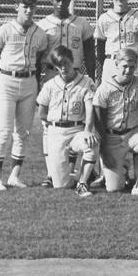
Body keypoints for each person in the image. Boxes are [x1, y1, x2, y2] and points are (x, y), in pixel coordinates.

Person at [0, 0, 48, 190]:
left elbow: (39, 59)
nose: (29, 11)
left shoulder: (39, 33)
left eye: (32, 7)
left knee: (23, 132)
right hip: (7, 80)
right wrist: (1, 76)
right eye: (25, 7)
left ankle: (14, 176)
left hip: (29, 82)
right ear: (17, 7)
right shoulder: (4, 30)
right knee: (3, 131)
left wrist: (35, 83)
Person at [37, 0, 96, 189]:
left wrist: (92, 75)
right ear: (51, 0)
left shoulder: (81, 23)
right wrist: (38, 80)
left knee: (78, 120)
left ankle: (83, 166)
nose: (61, 3)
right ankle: (51, 173)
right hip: (53, 75)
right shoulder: (43, 24)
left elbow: (89, 51)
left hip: (77, 75)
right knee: (49, 126)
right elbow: (38, 56)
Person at [93, 48, 138, 198]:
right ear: (116, 65)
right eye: (125, 66)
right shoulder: (105, 88)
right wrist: (103, 150)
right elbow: (98, 122)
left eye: (132, 66)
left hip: (133, 135)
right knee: (114, 188)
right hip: (112, 139)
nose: (128, 70)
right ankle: (122, 168)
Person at [36, 46, 99, 197]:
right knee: (61, 185)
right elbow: (42, 112)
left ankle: (82, 183)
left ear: (72, 61)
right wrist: (52, 125)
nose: (63, 68)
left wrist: (88, 130)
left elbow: (90, 109)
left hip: (77, 129)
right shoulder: (50, 84)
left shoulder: (86, 81)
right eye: (59, 65)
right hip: (56, 132)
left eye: (66, 63)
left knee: (92, 142)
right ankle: (82, 175)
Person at [94, 0, 138, 84]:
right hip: (111, 63)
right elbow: (100, 50)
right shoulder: (104, 18)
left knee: (132, 98)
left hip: (132, 65)